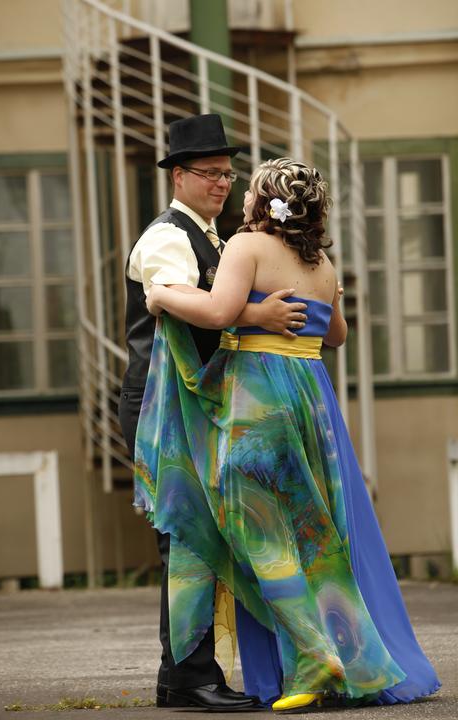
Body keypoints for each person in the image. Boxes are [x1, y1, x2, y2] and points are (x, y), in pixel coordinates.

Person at [136, 157, 441, 711]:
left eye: (249, 188)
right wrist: (327, 296)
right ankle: (337, 653)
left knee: (259, 530)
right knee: (314, 528)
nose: (240, 194)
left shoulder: (247, 245)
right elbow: (337, 336)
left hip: (260, 399)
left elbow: (219, 311)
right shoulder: (321, 262)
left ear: (265, 202)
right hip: (311, 400)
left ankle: (312, 656)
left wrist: (160, 295)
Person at [118, 115, 308, 711]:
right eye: (209, 172)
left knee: (203, 540)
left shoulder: (216, 239)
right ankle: (188, 679)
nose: (222, 183)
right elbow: (185, 303)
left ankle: (185, 675)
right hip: (161, 407)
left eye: (228, 173)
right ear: (178, 176)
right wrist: (256, 315)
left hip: (195, 402)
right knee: (188, 541)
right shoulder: (167, 237)